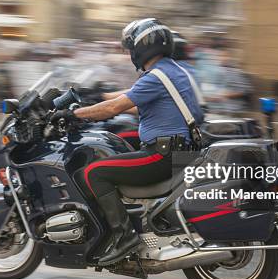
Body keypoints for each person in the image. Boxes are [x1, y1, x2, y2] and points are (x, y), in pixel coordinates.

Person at [51, 18, 204, 266]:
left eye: (131, 47)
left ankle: (124, 236)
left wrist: (73, 114)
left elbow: (115, 106)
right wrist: (94, 102)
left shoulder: (156, 76)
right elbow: (133, 104)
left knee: (94, 173)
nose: (130, 52)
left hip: (164, 155)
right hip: (180, 150)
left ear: (142, 47)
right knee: (117, 142)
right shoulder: (173, 70)